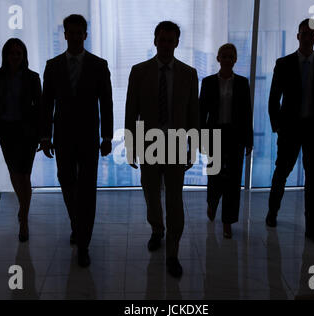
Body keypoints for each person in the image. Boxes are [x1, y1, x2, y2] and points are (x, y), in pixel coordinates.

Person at [124, 21, 199, 278]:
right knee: (151, 194)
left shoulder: (189, 74)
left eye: (171, 40)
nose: (166, 45)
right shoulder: (139, 71)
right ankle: (157, 229)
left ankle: (173, 252)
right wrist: (130, 145)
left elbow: (193, 114)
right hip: (148, 145)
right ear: (155, 41)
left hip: (177, 145)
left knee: (175, 199)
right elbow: (130, 110)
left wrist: (193, 148)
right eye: (162, 39)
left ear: (177, 43)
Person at [40, 14, 113, 267]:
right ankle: (77, 223)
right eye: (70, 32)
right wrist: (45, 135)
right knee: (66, 181)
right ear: (65, 35)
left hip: (90, 135)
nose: (74, 36)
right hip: (62, 135)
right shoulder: (53, 66)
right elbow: (46, 103)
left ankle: (83, 243)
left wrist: (107, 136)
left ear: (85, 34)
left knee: (87, 189)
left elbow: (106, 102)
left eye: (78, 32)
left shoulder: (98, 65)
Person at [265, 19, 314, 247]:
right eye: (303, 34)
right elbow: (274, 97)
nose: (307, 38)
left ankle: (312, 227)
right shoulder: (283, 63)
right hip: (289, 129)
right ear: (298, 36)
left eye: (311, 35)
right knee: (281, 172)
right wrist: (277, 126)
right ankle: (272, 211)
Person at [199, 43, 253, 239]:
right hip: (214, 134)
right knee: (214, 175)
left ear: (235, 60)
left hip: (235, 135)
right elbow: (201, 112)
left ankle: (228, 221)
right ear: (218, 58)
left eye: (231, 57)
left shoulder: (242, 83)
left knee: (233, 179)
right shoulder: (208, 82)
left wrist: (249, 139)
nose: (228, 60)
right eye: (225, 56)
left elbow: (247, 112)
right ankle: (212, 202)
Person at [0, 38, 41, 242]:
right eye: (12, 53)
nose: (15, 57)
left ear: (24, 56)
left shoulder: (32, 77)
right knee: (14, 173)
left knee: (25, 175)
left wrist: (41, 134)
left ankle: (25, 220)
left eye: (19, 53)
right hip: (6, 131)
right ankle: (23, 207)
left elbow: (40, 107)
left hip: (26, 132)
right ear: (6, 55)